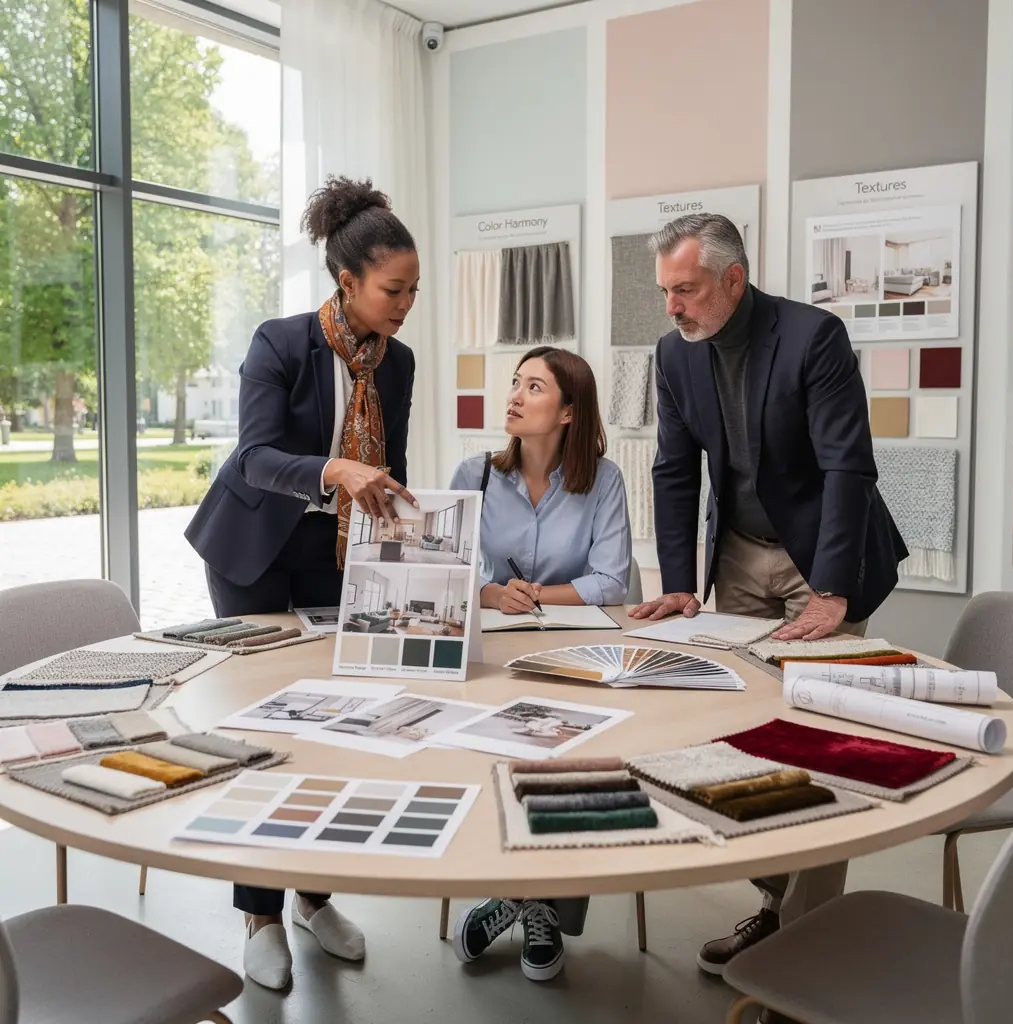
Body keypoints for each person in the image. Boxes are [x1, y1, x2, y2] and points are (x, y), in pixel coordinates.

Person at [628, 214, 906, 1024]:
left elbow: (847, 465)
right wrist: (679, 584)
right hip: (739, 558)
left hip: (822, 555)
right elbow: (675, 469)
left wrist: (832, 591)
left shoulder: (813, 335)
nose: (673, 308)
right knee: (749, 741)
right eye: (666, 292)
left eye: (685, 290)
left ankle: (816, 937)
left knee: (824, 743)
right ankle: (774, 910)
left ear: (732, 279)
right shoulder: (675, 353)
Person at [185, 175, 420, 990]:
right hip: (251, 549)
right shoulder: (280, 343)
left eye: (414, 290)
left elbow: (393, 469)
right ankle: (259, 914)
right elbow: (252, 458)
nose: (405, 304)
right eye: (394, 289)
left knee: (333, 726)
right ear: (347, 281)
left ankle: (314, 899)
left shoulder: (401, 363)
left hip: (337, 553)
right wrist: (333, 468)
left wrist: (419, 549)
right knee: (263, 733)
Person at [449, 346, 631, 981]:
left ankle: (527, 903)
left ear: (569, 413)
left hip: (572, 651)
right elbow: (449, 569)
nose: (515, 397)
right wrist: (490, 592)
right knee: (490, 755)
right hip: (492, 652)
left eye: (534, 387)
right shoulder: (473, 474)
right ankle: (524, 895)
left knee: (575, 760)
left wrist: (531, 594)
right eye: (515, 385)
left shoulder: (604, 480)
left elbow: (612, 581)